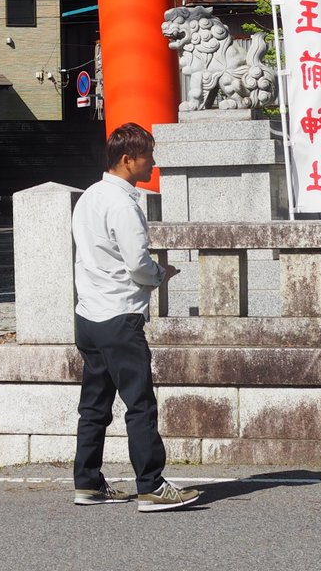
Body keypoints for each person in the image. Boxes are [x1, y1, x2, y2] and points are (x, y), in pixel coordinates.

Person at [71, 122, 200, 513]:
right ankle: (151, 485)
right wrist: (162, 274)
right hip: (119, 317)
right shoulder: (124, 204)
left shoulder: (90, 197)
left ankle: (88, 482)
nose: (153, 162)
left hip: (88, 316)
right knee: (139, 403)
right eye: (148, 156)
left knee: (94, 404)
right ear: (128, 160)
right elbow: (138, 265)